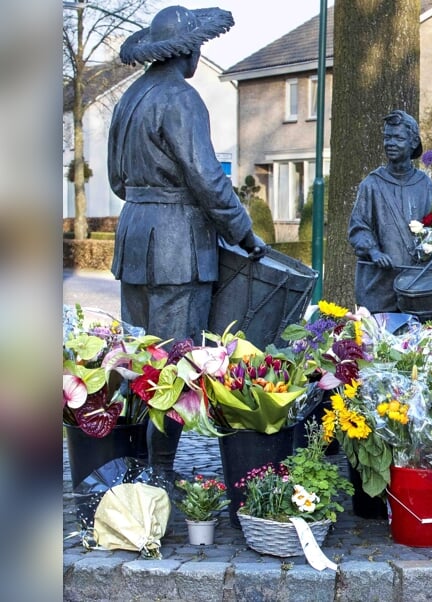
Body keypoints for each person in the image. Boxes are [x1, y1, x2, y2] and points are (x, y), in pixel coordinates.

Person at [108, 6, 267, 487]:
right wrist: (243, 230)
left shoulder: (130, 98)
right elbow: (206, 179)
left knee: (135, 357)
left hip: (135, 234)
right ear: (189, 51)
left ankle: (131, 461)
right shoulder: (181, 98)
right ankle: (157, 471)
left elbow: (117, 180)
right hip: (177, 245)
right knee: (174, 362)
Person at [348, 109, 432, 313]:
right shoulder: (372, 184)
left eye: (398, 138)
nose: (390, 143)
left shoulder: (425, 184)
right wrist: (374, 251)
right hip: (379, 288)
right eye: (387, 137)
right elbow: (358, 227)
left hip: (417, 287)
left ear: (413, 143)